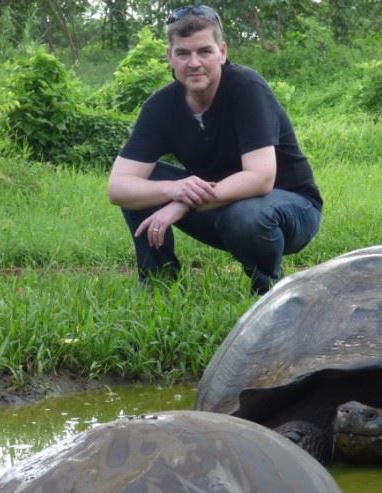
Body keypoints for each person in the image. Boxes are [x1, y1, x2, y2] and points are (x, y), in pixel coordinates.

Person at [107, 5, 322, 295]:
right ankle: (158, 283)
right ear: (170, 57)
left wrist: (182, 202)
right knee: (143, 184)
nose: (194, 62)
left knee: (247, 215)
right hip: (220, 208)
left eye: (204, 52)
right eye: (183, 53)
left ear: (221, 52)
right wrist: (173, 189)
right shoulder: (161, 107)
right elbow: (118, 187)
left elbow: (260, 178)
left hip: (289, 208)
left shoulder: (247, 88)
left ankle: (267, 288)